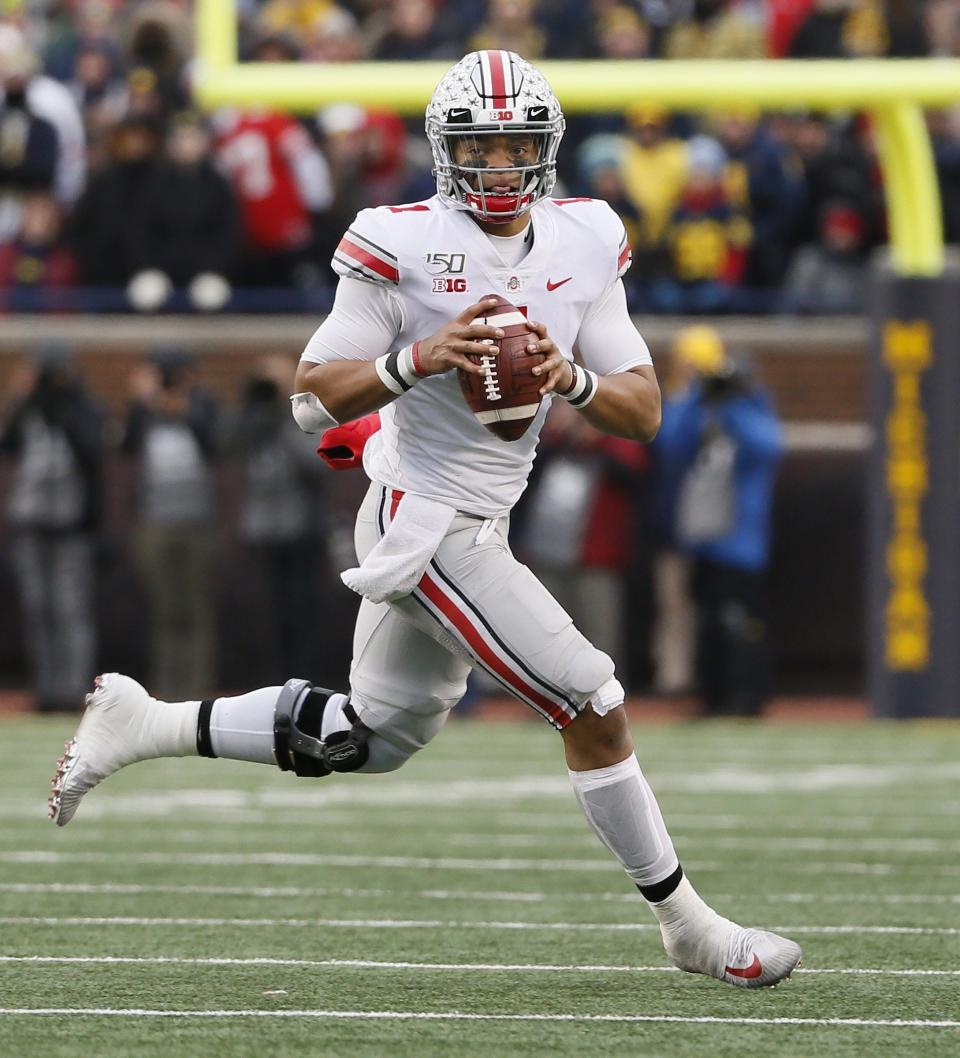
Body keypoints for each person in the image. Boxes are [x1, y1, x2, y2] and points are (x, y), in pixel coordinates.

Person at [49, 49, 801, 990]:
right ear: (446, 152)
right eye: (478, 146)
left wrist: (567, 376)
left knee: (368, 736)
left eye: (515, 144)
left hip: (481, 518)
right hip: (425, 521)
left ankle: (145, 723)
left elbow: (643, 409)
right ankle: (688, 925)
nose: (496, 166)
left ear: (547, 150)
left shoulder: (584, 237)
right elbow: (312, 394)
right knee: (592, 700)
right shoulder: (398, 241)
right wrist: (420, 359)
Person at [654, 336, 784, 717]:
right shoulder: (704, 413)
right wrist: (698, 396)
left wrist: (734, 402)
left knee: (740, 624)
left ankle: (748, 695)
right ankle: (713, 696)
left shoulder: (751, 413)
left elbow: (766, 447)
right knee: (709, 623)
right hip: (706, 539)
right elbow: (670, 445)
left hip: (742, 544)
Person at [1, 346, 102, 712]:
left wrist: (67, 399)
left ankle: (73, 689)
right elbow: (8, 443)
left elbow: (91, 444)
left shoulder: (80, 408)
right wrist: (22, 397)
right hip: (30, 524)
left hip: (70, 526)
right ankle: (46, 689)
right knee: (38, 609)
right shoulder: (28, 409)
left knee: (70, 608)